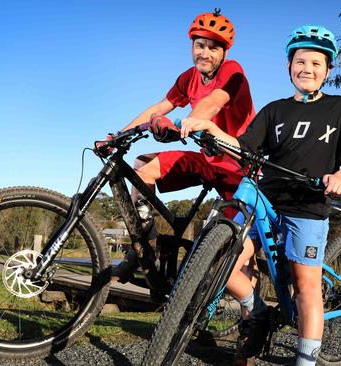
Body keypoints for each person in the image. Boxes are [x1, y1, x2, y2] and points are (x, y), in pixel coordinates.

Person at [181, 25, 341, 366]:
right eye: (300, 61)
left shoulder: (339, 107)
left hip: (307, 205)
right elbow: (244, 147)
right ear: (288, 66)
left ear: (327, 70)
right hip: (266, 199)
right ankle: (258, 311)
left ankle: (305, 360)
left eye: (315, 63)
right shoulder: (274, 110)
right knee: (228, 260)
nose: (307, 69)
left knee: (305, 283)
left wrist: (340, 176)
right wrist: (212, 129)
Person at [108, 9, 255, 284]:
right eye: (200, 45)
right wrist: (118, 135)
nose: (205, 53)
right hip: (207, 161)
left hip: (239, 168)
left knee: (233, 253)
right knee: (142, 166)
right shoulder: (188, 77)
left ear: (224, 52)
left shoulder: (232, 71)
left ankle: (251, 317)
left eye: (213, 48)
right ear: (192, 46)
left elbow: (214, 101)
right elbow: (159, 107)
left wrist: (191, 121)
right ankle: (142, 251)